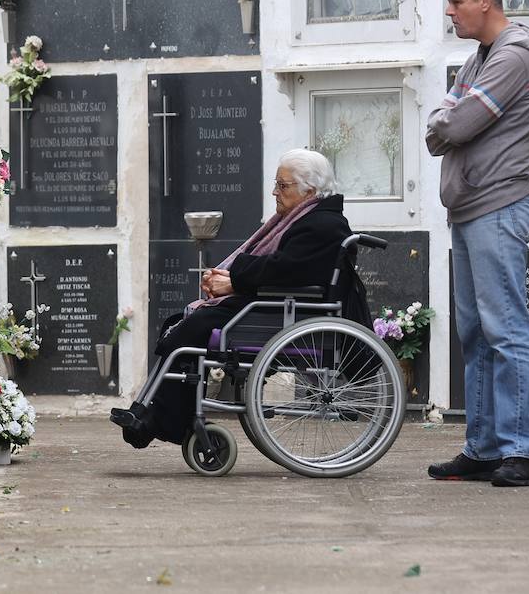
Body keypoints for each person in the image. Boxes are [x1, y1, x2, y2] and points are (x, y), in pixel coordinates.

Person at [111, 149, 353, 448]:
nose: (275, 192)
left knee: (191, 330)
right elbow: (279, 267)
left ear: (310, 190)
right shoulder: (308, 219)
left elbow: (286, 270)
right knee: (182, 325)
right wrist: (231, 280)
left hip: (281, 313)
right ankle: (158, 414)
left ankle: (159, 420)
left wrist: (234, 280)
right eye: (276, 184)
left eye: (283, 185)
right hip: (270, 306)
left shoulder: (322, 225)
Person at [426, 0, 529, 488]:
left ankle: (522, 451)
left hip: (497, 208)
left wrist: (448, 118)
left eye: (456, 1)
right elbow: (440, 127)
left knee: (507, 330)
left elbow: (452, 123)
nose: (449, 11)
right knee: (475, 333)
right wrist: (447, 118)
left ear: (485, 1)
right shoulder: (477, 60)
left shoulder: (512, 58)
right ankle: (483, 448)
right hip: (470, 208)